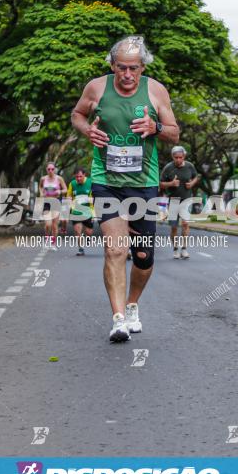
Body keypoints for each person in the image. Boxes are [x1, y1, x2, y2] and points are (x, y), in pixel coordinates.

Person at [71, 35, 180, 342]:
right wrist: (87, 129)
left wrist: (155, 128)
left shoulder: (156, 91)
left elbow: (174, 132)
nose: (128, 75)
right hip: (106, 181)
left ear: (142, 67)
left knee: (143, 256)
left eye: (133, 68)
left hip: (143, 183)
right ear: (112, 66)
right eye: (121, 68)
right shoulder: (96, 88)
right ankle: (118, 319)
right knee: (116, 249)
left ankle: (132, 305)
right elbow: (77, 115)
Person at [160, 145, 199, 259]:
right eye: (176, 157)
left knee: (186, 224)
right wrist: (171, 184)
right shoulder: (168, 168)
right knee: (174, 227)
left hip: (186, 200)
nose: (178, 159)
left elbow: (196, 177)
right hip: (173, 201)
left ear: (184, 156)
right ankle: (175, 249)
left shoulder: (189, 166)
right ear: (172, 157)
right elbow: (160, 184)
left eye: (180, 157)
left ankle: (184, 249)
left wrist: (192, 184)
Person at [38, 162, 66, 249]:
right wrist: (41, 193)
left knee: (54, 225)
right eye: (49, 169)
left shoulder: (59, 179)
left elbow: (65, 189)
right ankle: (47, 240)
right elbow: (40, 187)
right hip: (47, 202)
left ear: (55, 169)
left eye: (52, 169)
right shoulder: (43, 179)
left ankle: (53, 243)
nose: (50, 171)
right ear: (46, 169)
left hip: (56, 202)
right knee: (48, 224)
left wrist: (60, 191)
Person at [67, 167, 94, 256]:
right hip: (76, 211)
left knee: (88, 232)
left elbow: (96, 196)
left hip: (88, 211)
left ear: (84, 175)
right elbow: (68, 197)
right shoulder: (72, 184)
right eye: (76, 177)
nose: (78, 178)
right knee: (77, 231)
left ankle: (88, 238)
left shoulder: (91, 182)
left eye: (80, 176)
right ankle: (81, 249)